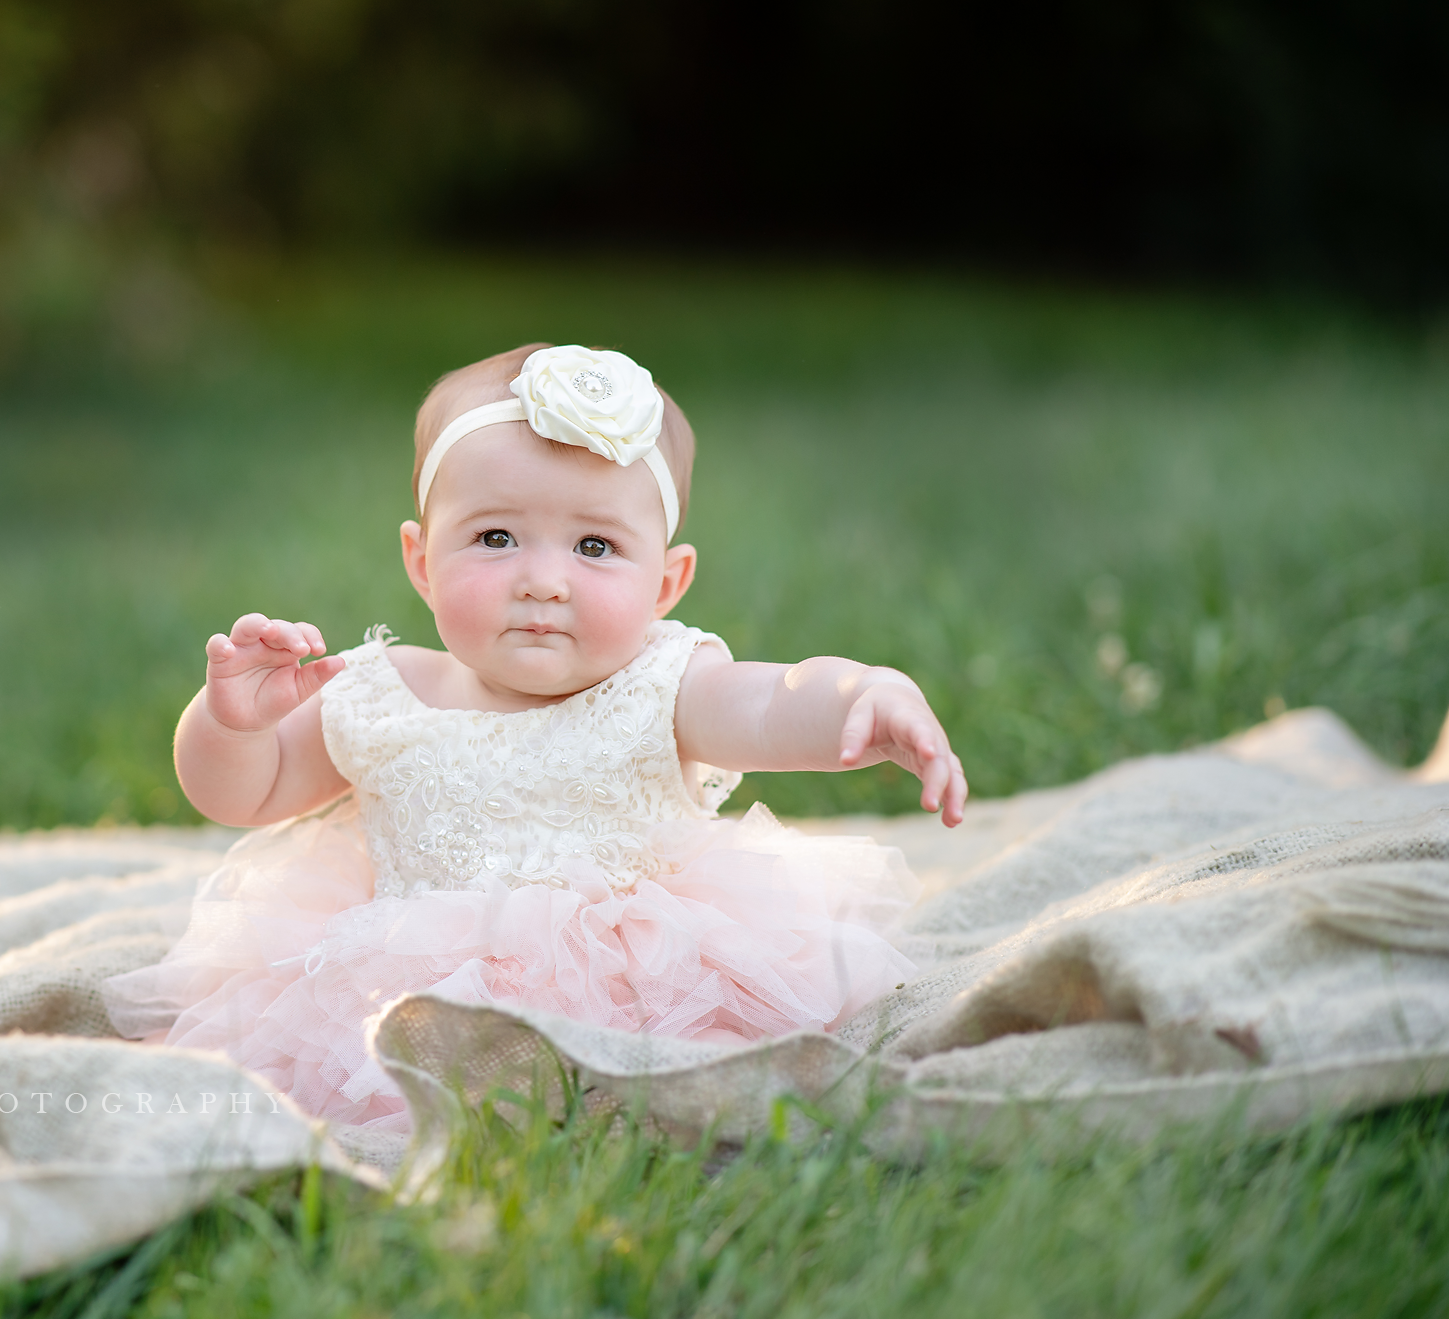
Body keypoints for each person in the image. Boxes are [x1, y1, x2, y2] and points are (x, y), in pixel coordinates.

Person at [105, 343, 968, 1133]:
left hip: (635, 980)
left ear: (667, 581)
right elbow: (241, 795)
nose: (543, 580)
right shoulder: (380, 692)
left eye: (594, 545)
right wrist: (231, 722)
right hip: (402, 988)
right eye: (495, 537)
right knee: (352, 1098)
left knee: (665, 1102)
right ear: (420, 560)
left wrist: (863, 692)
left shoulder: (661, 685)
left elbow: (774, 702)